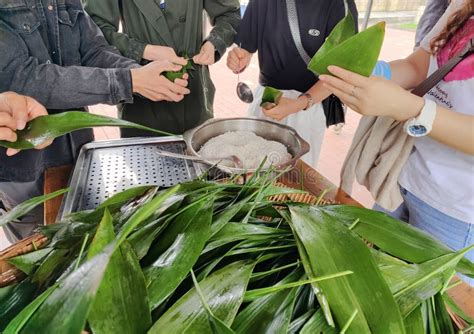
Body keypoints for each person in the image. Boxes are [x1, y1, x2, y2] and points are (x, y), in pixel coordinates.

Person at [0, 0, 190, 242]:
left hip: (80, 151)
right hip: (28, 171)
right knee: (41, 250)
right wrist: (127, 80)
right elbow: (23, 77)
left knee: (86, 238)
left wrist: (142, 76)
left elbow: (93, 50)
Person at [320, 0, 473, 284]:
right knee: (370, 277)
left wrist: (410, 109)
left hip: (458, 211)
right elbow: (420, 65)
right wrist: (374, 73)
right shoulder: (463, 6)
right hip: (406, 179)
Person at [226, 0, 358, 168]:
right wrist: (239, 58)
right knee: (251, 171)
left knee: (294, 179)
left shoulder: (339, 4)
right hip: (265, 102)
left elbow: (340, 72)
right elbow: (247, 46)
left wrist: (299, 103)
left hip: (308, 106)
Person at [85, 0, 241, 137]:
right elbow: (94, 30)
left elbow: (229, 14)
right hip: (142, 107)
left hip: (195, 99)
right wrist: (144, 50)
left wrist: (215, 42)